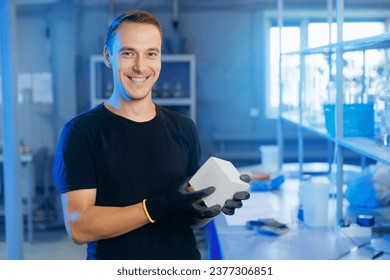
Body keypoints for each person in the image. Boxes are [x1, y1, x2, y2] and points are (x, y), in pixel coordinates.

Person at [52, 10, 250, 260]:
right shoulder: (81, 132)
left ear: (160, 59)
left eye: (151, 54)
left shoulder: (184, 127)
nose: (140, 66)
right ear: (108, 56)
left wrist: (211, 206)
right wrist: (156, 206)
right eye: (128, 53)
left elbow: (187, 218)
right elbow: (79, 227)